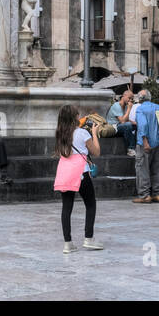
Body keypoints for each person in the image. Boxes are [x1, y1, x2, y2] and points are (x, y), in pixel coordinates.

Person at [54, 105, 102, 253]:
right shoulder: (82, 133)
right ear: (74, 117)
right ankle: (88, 239)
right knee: (90, 204)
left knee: (66, 208)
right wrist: (94, 133)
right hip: (81, 172)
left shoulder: (60, 134)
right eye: (77, 114)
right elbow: (96, 152)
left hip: (64, 172)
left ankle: (68, 244)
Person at [130, 89, 159, 204]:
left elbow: (143, 125)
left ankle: (145, 196)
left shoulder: (140, 109)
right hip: (158, 143)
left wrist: (145, 142)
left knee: (142, 169)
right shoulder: (158, 108)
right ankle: (158, 194)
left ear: (140, 99)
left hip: (145, 144)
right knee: (157, 169)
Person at [106, 91, 137, 157]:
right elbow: (123, 121)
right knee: (128, 125)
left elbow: (126, 119)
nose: (130, 100)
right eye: (129, 98)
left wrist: (136, 123)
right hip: (113, 127)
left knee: (138, 126)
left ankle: (138, 146)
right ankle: (130, 149)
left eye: (132, 99)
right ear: (124, 96)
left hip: (121, 126)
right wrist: (129, 109)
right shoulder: (116, 106)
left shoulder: (125, 107)